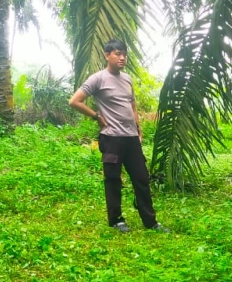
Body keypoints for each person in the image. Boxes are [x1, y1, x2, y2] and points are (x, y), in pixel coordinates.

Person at [68, 39, 170, 233]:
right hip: (112, 138)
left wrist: (138, 127)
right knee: (113, 179)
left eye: (124, 54)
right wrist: (96, 116)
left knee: (141, 178)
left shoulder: (127, 79)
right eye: (117, 53)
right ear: (107, 56)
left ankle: (151, 221)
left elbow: (132, 104)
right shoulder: (97, 79)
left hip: (131, 138)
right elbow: (74, 101)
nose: (122, 57)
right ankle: (116, 220)